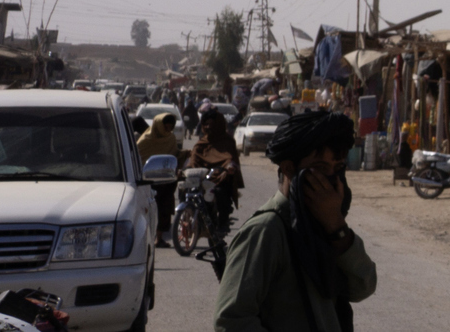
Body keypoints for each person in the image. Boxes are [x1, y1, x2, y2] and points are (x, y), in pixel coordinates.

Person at [214, 110, 376, 332]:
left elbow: (362, 287)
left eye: (337, 169)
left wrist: (337, 227)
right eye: (320, 169)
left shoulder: (324, 225)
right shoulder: (266, 231)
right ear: (289, 168)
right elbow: (231, 321)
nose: (331, 182)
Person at [187, 109, 248, 276]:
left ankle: (223, 222)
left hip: (220, 178)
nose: (207, 127)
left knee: (220, 191)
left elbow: (231, 160)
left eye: (211, 124)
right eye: (205, 124)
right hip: (202, 178)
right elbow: (194, 160)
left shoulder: (227, 141)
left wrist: (228, 170)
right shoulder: (201, 143)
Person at [135, 112, 183, 237]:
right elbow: (136, 158)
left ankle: (159, 236)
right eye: (165, 127)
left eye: (170, 128)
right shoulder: (146, 139)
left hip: (166, 181)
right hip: (147, 181)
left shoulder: (171, 138)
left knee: (164, 208)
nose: (168, 130)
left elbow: (174, 155)